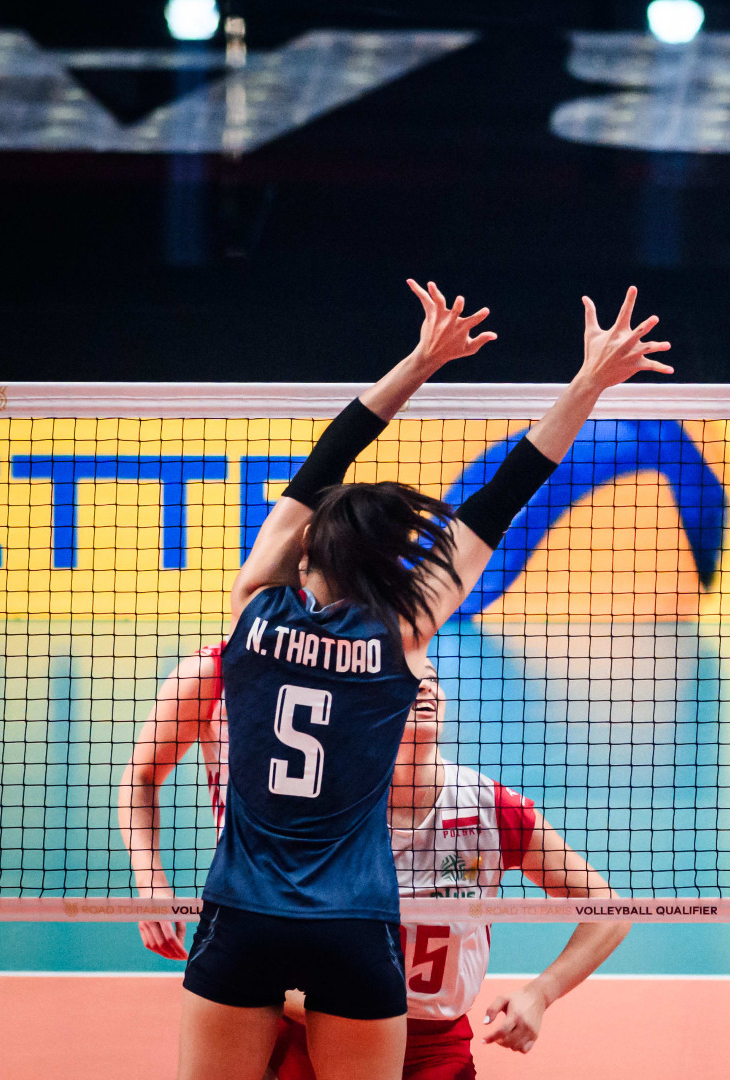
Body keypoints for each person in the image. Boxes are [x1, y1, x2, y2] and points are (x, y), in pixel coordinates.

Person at [178, 279, 671, 1080]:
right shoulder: (402, 633)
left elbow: (322, 462)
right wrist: (587, 382)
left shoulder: (252, 610)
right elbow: (504, 495)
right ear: (389, 568)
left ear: (307, 553)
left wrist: (417, 363)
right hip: (352, 925)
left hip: (242, 913)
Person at [267, 665, 630, 1079]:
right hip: (326, 1027)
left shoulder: (490, 808)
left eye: (433, 678)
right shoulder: (327, 808)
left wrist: (541, 993)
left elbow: (609, 910)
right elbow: (259, 930)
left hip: (435, 1047)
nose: (425, 685)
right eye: (407, 677)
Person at [120, 641, 228, 962]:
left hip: (348, 908)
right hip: (243, 902)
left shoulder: (358, 673)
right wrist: (150, 881)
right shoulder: (213, 672)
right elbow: (142, 777)